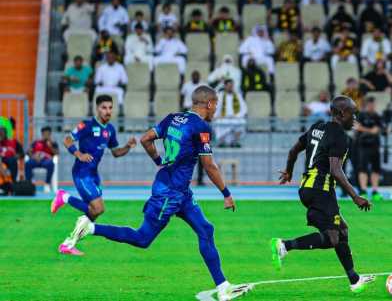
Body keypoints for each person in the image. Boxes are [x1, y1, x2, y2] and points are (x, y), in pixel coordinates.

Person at [65, 87, 253, 300]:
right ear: (209, 104)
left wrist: (159, 162)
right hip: (169, 194)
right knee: (142, 238)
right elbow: (209, 166)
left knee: (206, 229)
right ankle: (90, 227)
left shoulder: (173, 118)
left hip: (181, 191)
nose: (216, 108)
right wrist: (226, 193)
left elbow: (146, 139)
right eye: (216, 104)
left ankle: (223, 287)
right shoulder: (201, 126)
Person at [271, 96, 375, 295]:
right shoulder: (339, 137)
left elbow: (294, 150)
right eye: (353, 114)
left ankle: (355, 279)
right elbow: (336, 170)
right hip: (321, 190)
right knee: (332, 238)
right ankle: (284, 245)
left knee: (342, 231)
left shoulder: (317, 127)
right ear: (341, 113)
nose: (355, 118)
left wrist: (289, 171)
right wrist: (356, 197)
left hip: (308, 188)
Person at [51, 95, 136, 255]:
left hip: (94, 175)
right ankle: (64, 197)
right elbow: (67, 140)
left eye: (110, 108)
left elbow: (116, 152)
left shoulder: (110, 130)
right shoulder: (87, 125)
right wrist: (78, 154)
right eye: (104, 107)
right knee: (97, 208)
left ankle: (68, 244)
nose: (108, 111)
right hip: (81, 173)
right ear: (97, 108)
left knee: (93, 213)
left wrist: (128, 146)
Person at [354, 96, 385, 201]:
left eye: (373, 104)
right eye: (370, 104)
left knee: (376, 169)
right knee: (362, 168)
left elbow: (379, 130)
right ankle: (363, 191)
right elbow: (357, 127)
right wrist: (370, 130)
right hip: (363, 145)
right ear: (366, 105)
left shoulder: (377, 116)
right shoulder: (360, 116)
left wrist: (365, 129)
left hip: (375, 145)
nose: (372, 106)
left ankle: (375, 191)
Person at [214, 80, 248, 147]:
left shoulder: (238, 95)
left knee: (242, 122)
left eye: (232, 86)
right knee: (217, 122)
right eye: (229, 86)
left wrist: (237, 116)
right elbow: (216, 107)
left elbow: (244, 108)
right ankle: (222, 142)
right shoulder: (220, 95)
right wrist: (216, 116)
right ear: (225, 86)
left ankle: (235, 142)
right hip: (223, 117)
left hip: (235, 117)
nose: (230, 87)